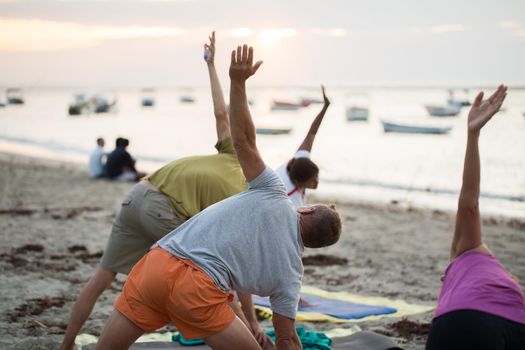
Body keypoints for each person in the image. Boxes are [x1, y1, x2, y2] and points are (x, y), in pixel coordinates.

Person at [93, 44, 342, 350]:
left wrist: (238, 83)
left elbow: (244, 141)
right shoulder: (291, 274)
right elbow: (287, 339)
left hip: (157, 263)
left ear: (305, 212)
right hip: (198, 290)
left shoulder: (273, 192)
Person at [59, 32, 249, 350]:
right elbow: (232, 261)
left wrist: (210, 64)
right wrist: (250, 316)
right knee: (206, 280)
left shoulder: (233, 153)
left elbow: (221, 112)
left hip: (137, 195)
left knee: (101, 277)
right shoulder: (241, 191)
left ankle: (66, 345)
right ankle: (246, 333)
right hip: (163, 208)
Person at [426, 85, 525, 350]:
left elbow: (469, 204)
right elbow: (469, 204)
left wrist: (473, 135)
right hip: (511, 326)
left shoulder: (468, 251)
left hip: (461, 319)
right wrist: (472, 134)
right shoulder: (471, 253)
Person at [275, 86, 330, 207]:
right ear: (298, 182)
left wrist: (325, 107)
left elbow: (312, 133)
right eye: (313, 179)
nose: (317, 181)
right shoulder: (290, 199)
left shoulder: (299, 161)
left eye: (317, 175)